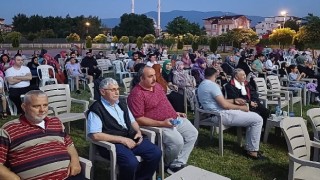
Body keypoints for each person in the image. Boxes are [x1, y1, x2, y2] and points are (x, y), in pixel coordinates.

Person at [127, 66, 198, 174]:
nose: (154, 78)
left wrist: (175, 113)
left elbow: (165, 104)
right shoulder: (137, 94)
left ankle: (177, 163)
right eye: (150, 76)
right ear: (141, 78)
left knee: (193, 133)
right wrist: (162, 123)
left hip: (174, 119)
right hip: (158, 125)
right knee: (177, 142)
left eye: (154, 75)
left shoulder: (157, 86)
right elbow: (138, 119)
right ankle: (165, 164)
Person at [87, 78, 161, 180]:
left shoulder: (121, 103)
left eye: (118, 89)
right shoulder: (96, 109)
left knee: (156, 153)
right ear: (102, 92)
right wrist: (122, 140)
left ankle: (142, 178)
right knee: (131, 162)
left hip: (130, 137)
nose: (117, 92)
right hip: (113, 143)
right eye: (112, 90)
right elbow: (95, 135)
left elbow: (132, 121)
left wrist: (138, 132)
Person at [0, 90, 83, 179]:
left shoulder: (55, 122)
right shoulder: (9, 129)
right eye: (36, 106)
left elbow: (69, 145)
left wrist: (75, 161)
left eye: (45, 105)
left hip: (68, 176)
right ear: (24, 107)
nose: (42, 110)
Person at [197, 67, 264, 160]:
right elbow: (225, 105)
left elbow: (220, 101)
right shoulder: (212, 86)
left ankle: (250, 147)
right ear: (216, 75)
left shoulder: (203, 84)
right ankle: (251, 150)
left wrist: (234, 100)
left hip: (214, 113)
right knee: (257, 119)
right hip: (219, 115)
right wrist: (242, 108)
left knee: (254, 118)